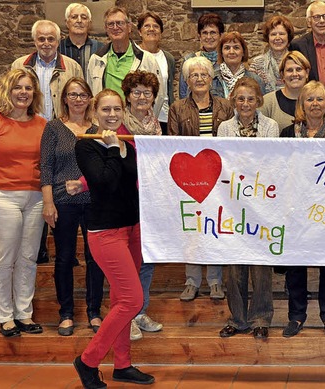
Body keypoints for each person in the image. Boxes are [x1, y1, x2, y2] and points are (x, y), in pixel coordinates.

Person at [73, 89, 154, 388]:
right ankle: (88, 360)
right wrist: (110, 148)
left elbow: (134, 178)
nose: (111, 115)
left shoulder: (126, 143)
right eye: (105, 109)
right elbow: (105, 183)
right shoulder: (87, 147)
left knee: (122, 299)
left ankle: (123, 365)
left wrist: (118, 148)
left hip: (132, 229)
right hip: (105, 232)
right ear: (95, 112)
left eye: (116, 109)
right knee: (133, 299)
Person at [0, 68, 46, 338]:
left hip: (36, 198)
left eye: (28, 88)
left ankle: (23, 314)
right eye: (18, 87)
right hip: (1, 195)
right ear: (8, 90)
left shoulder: (41, 124)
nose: (23, 93)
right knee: (4, 259)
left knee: (28, 258)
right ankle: (4, 316)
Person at [12, 19, 84, 265]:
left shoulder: (72, 66)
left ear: (58, 40)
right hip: (29, 131)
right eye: (41, 39)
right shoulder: (19, 65)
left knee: (61, 186)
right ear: (34, 41)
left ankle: (66, 246)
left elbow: (80, 97)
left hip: (61, 132)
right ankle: (39, 246)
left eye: (50, 38)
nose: (46, 43)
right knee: (38, 182)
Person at [40, 77, 104, 337]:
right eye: (72, 94)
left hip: (93, 202)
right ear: (64, 99)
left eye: (83, 95)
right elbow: (45, 166)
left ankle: (94, 311)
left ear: (90, 98)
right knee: (65, 258)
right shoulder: (54, 128)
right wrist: (47, 202)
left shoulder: (98, 129)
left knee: (95, 259)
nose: (78, 99)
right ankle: (66, 313)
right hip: (62, 202)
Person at [217, 77, 278, 339]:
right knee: (234, 266)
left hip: (262, 203)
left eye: (250, 99)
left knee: (261, 265)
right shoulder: (224, 128)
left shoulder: (270, 126)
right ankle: (237, 318)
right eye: (240, 98)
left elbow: (270, 164)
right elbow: (224, 163)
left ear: (259, 101)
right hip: (232, 203)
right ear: (233, 101)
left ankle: (261, 318)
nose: (245, 103)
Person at [280, 81, 325, 338]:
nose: (315, 104)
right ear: (301, 105)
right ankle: (296, 316)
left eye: (320, 100)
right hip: (295, 210)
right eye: (310, 99)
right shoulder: (286, 134)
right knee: (296, 265)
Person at [169, 57, 233, 300]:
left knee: (215, 228)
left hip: (218, 178)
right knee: (193, 230)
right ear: (187, 81)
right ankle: (192, 281)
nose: (199, 79)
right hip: (189, 179)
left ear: (211, 78)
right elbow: (174, 144)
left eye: (203, 74)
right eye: (193, 75)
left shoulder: (225, 107)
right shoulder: (177, 108)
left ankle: (215, 281)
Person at [117, 70, 164, 341]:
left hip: (149, 199)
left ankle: (139, 311)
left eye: (147, 93)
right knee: (127, 262)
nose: (142, 97)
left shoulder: (155, 126)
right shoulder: (118, 124)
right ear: (128, 96)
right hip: (124, 199)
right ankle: (125, 316)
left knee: (146, 259)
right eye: (136, 92)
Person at [87, 6, 165, 116]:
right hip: (106, 121)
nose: (115, 27)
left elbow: (159, 95)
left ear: (129, 27)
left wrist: (145, 120)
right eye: (111, 24)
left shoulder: (147, 60)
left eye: (120, 23)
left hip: (136, 122)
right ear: (106, 29)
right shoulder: (96, 59)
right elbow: (91, 97)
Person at [137, 11, 175, 135]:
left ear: (161, 32)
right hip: (138, 117)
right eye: (147, 26)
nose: (151, 29)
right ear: (139, 31)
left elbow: (168, 89)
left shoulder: (168, 58)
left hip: (163, 117)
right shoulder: (134, 54)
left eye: (156, 26)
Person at [289, 1, 325, 86]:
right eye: (317, 17)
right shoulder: (298, 46)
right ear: (309, 22)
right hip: (311, 97)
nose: (322, 21)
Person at [259, 51, 311, 131]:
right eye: (289, 70)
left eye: (299, 69)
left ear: (307, 73)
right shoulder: (268, 102)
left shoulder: (317, 101)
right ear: (282, 75)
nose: (294, 74)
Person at [179, 13, 224, 99]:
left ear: (220, 35)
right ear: (199, 36)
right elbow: (183, 94)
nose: (208, 37)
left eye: (213, 32)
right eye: (205, 33)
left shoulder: (227, 61)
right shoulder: (189, 60)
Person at [211, 31, 265, 99]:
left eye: (236, 48)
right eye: (227, 48)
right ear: (221, 53)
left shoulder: (256, 80)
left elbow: (261, 107)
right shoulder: (212, 79)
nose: (231, 52)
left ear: (243, 52)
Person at [249, 15, 295, 93]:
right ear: (268, 38)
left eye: (281, 34)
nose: (277, 38)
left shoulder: (296, 61)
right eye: (273, 34)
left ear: (288, 37)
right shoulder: (257, 63)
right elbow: (250, 90)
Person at [58, 3, 102, 74]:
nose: (79, 21)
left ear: (89, 23)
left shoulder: (100, 48)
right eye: (74, 17)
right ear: (67, 23)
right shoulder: (58, 49)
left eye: (84, 17)